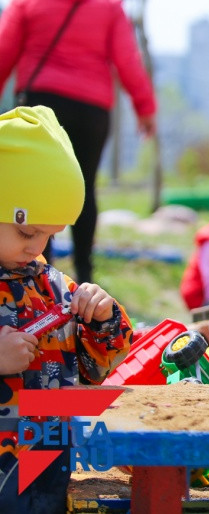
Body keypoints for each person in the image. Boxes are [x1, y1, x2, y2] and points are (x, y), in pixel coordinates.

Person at [0, 0, 157, 284]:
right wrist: (145, 108)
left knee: (36, 192)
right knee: (84, 187)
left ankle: (39, 274)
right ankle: (84, 273)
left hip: (40, 106)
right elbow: (128, 60)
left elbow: (3, 52)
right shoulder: (107, 3)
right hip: (91, 111)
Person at [0, 105, 132, 512]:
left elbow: (95, 370)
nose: (36, 247)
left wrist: (104, 320)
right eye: (27, 231)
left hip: (47, 462)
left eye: (49, 235)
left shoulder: (53, 288)